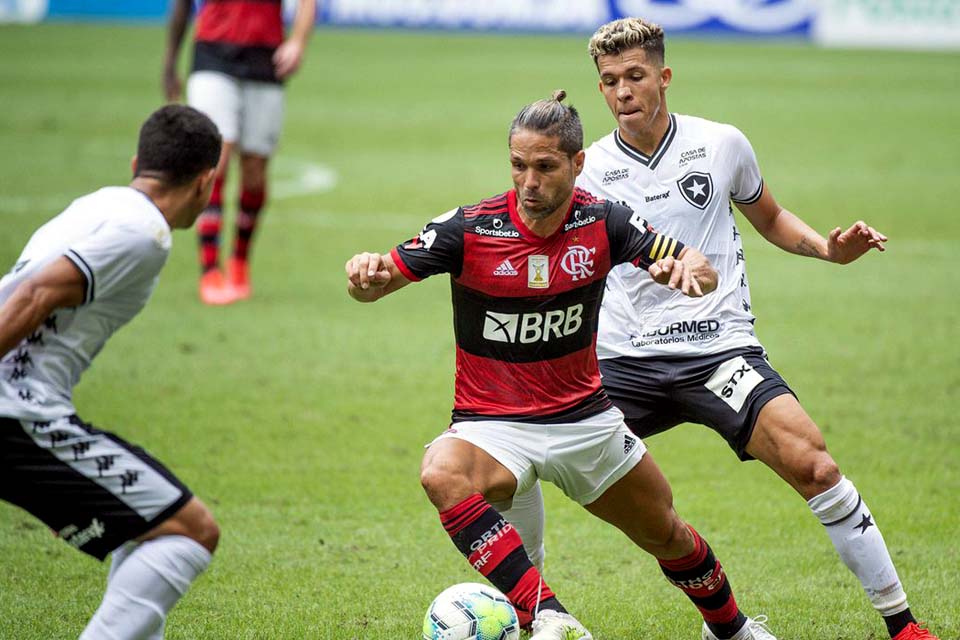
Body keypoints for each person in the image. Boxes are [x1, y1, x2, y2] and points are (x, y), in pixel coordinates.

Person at [503, 17, 938, 640]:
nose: (623, 91)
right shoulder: (586, 168)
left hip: (718, 352)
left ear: (664, 76)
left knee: (815, 465)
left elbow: (771, 217)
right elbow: (544, 243)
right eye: (610, 80)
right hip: (623, 362)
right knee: (512, 455)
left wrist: (827, 250)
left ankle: (904, 626)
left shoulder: (721, 144)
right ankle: (535, 614)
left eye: (635, 76)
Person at [346, 91, 778, 640]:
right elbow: (377, 282)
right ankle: (551, 617)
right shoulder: (469, 229)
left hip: (585, 421)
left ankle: (731, 630)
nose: (529, 182)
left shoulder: (605, 222)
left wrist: (692, 272)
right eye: (518, 165)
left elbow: (691, 260)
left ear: (577, 163)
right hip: (492, 425)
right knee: (441, 472)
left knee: (667, 534)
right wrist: (364, 274)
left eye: (545, 167)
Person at [0, 105, 222, 639]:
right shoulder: (145, 234)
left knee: (150, 526)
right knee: (191, 531)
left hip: (20, 412)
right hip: (19, 414)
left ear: (136, 164)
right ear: (206, 182)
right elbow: (35, 294)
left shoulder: (97, 205)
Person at [163, 0, 316, 305]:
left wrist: (298, 41)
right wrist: (170, 61)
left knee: (255, 171)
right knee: (214, 159)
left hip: (265, 59)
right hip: (212, 56)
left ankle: (239, 262)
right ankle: (210, 270)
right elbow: (182, 5)